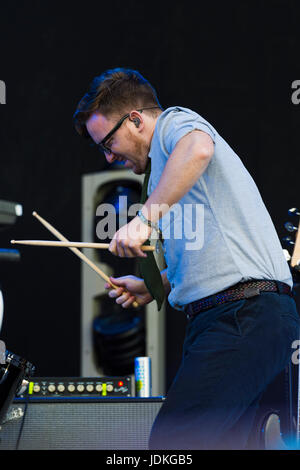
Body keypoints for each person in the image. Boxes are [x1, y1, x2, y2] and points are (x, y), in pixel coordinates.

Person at [73, 68, 300, 450]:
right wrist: (154, 285)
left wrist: (143, 220)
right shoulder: (167, 178)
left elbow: (199, 147)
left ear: (135, 120)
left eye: (108, 144)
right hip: (243, 317)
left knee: (173, 444)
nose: (110, 156)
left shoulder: (173, 126)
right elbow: (216, 253)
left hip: (242, 316)